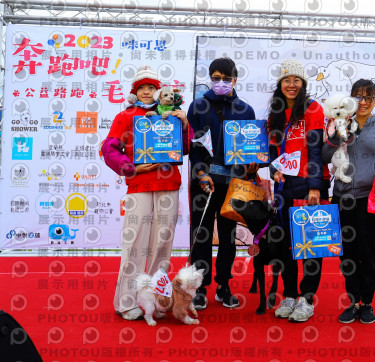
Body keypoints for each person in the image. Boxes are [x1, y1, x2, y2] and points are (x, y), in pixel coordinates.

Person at [102, 65, 189, 320]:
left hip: (168, 183)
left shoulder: (172, 114)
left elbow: (184, 149)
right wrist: (131, 167)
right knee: (135, 244)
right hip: (139, 184)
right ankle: (126, 301)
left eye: (152, 87)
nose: (147, 92)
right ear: (135, 92)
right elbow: (108, 148)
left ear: (160, 91)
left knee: (162, 244)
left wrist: (184, 125)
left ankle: (156, 299)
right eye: (142, 88)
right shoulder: (126, 116)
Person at [322, 79, 375, 324]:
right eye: (358, 97)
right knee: (347, 254)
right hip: (342, 198)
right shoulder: (339, 122)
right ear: (350, 99)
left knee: (368, 252)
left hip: (370, 200)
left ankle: (367, 303)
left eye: (368, 98)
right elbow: (324, 155)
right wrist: (339, 134)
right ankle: (353, 301)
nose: (362, 102)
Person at [188, 57, 258, 310]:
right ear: (210, 79)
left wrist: (253, 163)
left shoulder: (246, 110)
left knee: (228, 238)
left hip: (233, 185)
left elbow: (252, 148)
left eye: (226, 79)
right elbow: (194, 146)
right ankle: (199, 287)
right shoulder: (197, 106)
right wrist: (200, 173)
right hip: (204, 183)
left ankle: (223, 286)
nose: (221, 83)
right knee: (202, 236)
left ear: (235, 80)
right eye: (216, 78)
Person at [267, 58, 330, 322]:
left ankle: (307, 299)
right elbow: (272, 152)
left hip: (310, 183)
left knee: (311, 244)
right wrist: (274, 170)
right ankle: (290, 294)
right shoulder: (275, 113)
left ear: (303, 84)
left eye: (296, 80)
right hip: (285, 185)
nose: (291, 85)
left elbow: (315, 150)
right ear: (280, 84)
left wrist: (315, 187)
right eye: (286, 80)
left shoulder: (313, 108)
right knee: (284, 244)